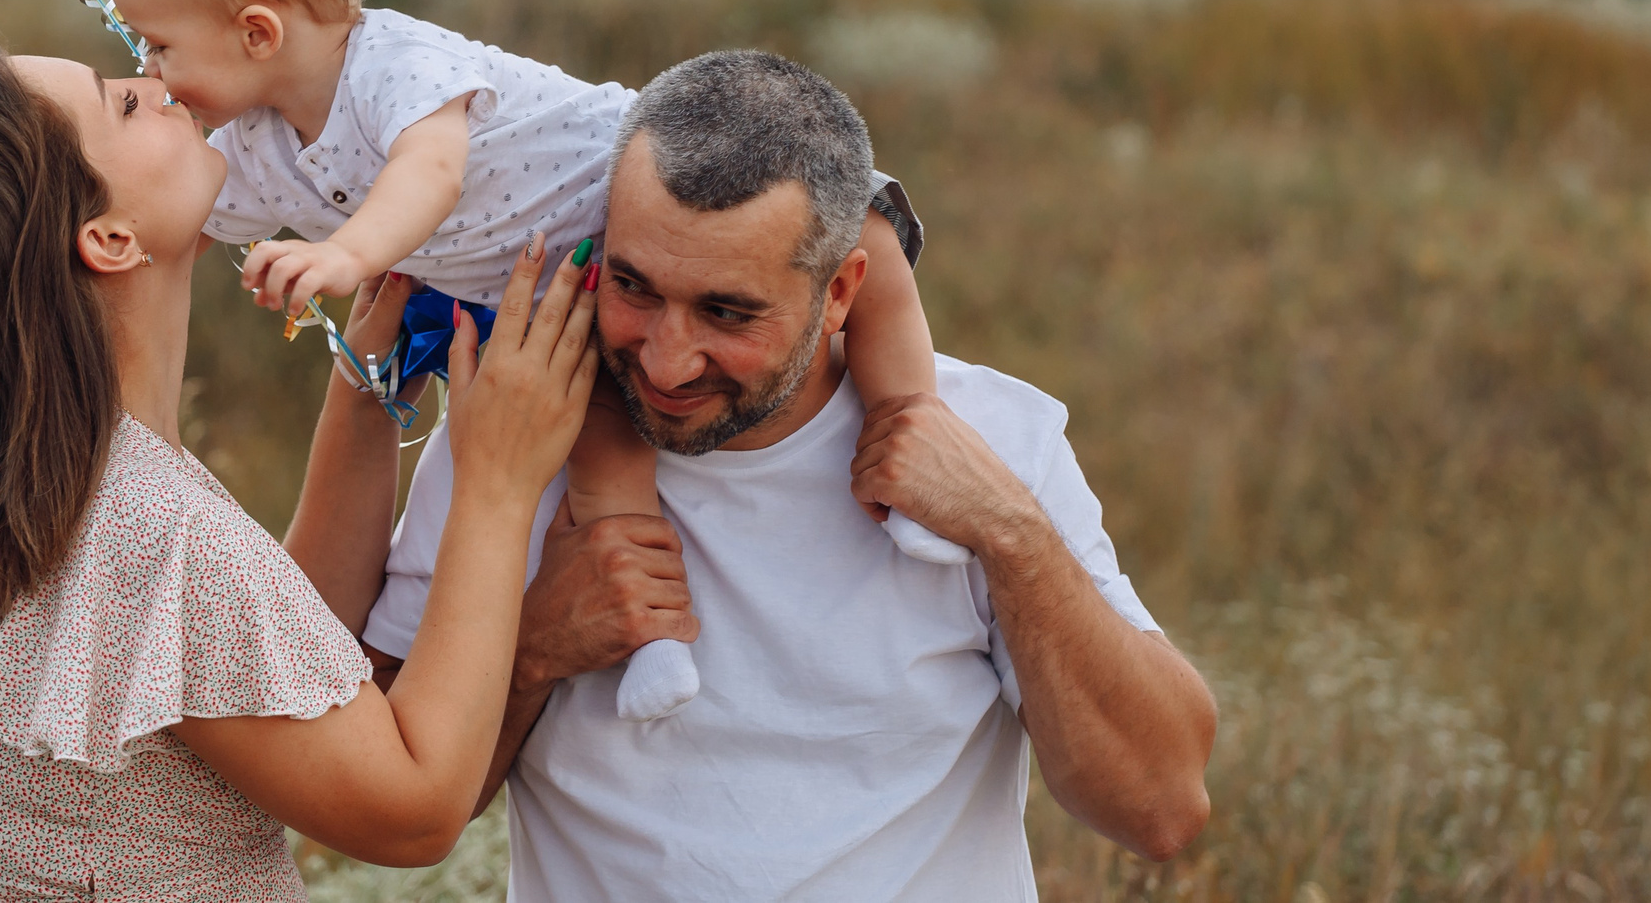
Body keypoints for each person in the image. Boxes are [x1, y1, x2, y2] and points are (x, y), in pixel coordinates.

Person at [102, 0, 964, 725]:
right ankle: (658, 643)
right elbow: (173, 227)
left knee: (866, 234)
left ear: (256, 31)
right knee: (598, 431)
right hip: (564, 296)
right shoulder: (257, 146)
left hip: (647, 193)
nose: (149, 72)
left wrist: (346, 254)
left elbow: (430, 171)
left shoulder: (392, 65)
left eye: (158, 46)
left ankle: (910, 436)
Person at [363, 50, 1218, 902]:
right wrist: (535, 649)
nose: (665, 359)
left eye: (726, 311)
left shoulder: (993, 444)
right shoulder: (513, 433)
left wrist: (1011, 533)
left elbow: (1161, 806)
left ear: (840, 290)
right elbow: (386, 806)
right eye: (634, 286)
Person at [0, 47, 597, 901]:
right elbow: (413, 810)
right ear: (109, 239)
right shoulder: (142, 524)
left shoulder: (73, 476)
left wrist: (365, 399)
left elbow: (266, 658)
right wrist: (497, 485)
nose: (157, 84)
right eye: (122, 104)